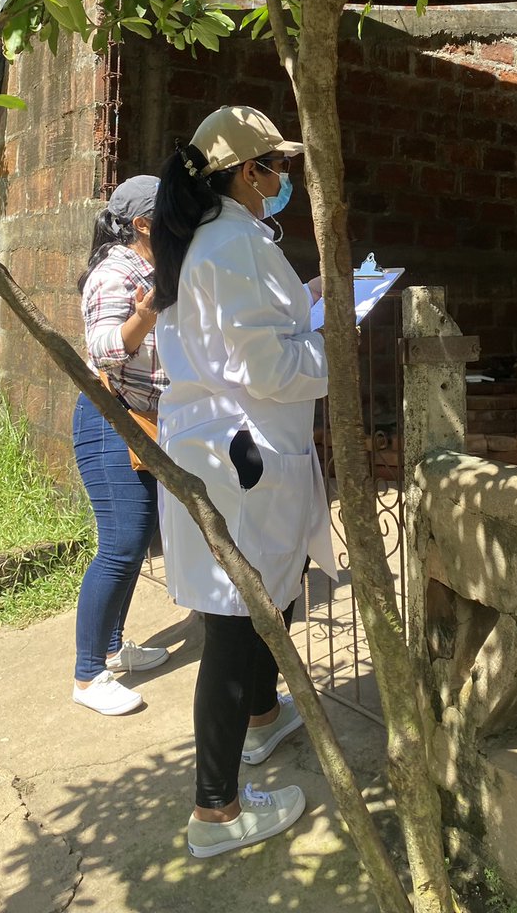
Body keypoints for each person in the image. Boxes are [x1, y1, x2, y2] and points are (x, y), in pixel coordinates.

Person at [151, 105, 337, 859]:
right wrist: (334, 355)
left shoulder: (224, 241)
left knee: (273, 591)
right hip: (242, 459)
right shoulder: (231, 245)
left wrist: (313, 302)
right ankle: (216, 813)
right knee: (235, 621)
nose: (282, 176)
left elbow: (250, 336)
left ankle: (263, 719)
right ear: (246, 171)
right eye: (274, 164)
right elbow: (266, 366)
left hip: (237, 454)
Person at [72, 176, 170, 716]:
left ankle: (112, 646)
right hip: (109, 417)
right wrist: (146, 313)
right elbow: (105, 348)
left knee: (136, 537)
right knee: (121, 543)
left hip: (140, 420)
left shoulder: (149, 269)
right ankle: (88, 675)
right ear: (141, 224)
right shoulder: (116, 272)